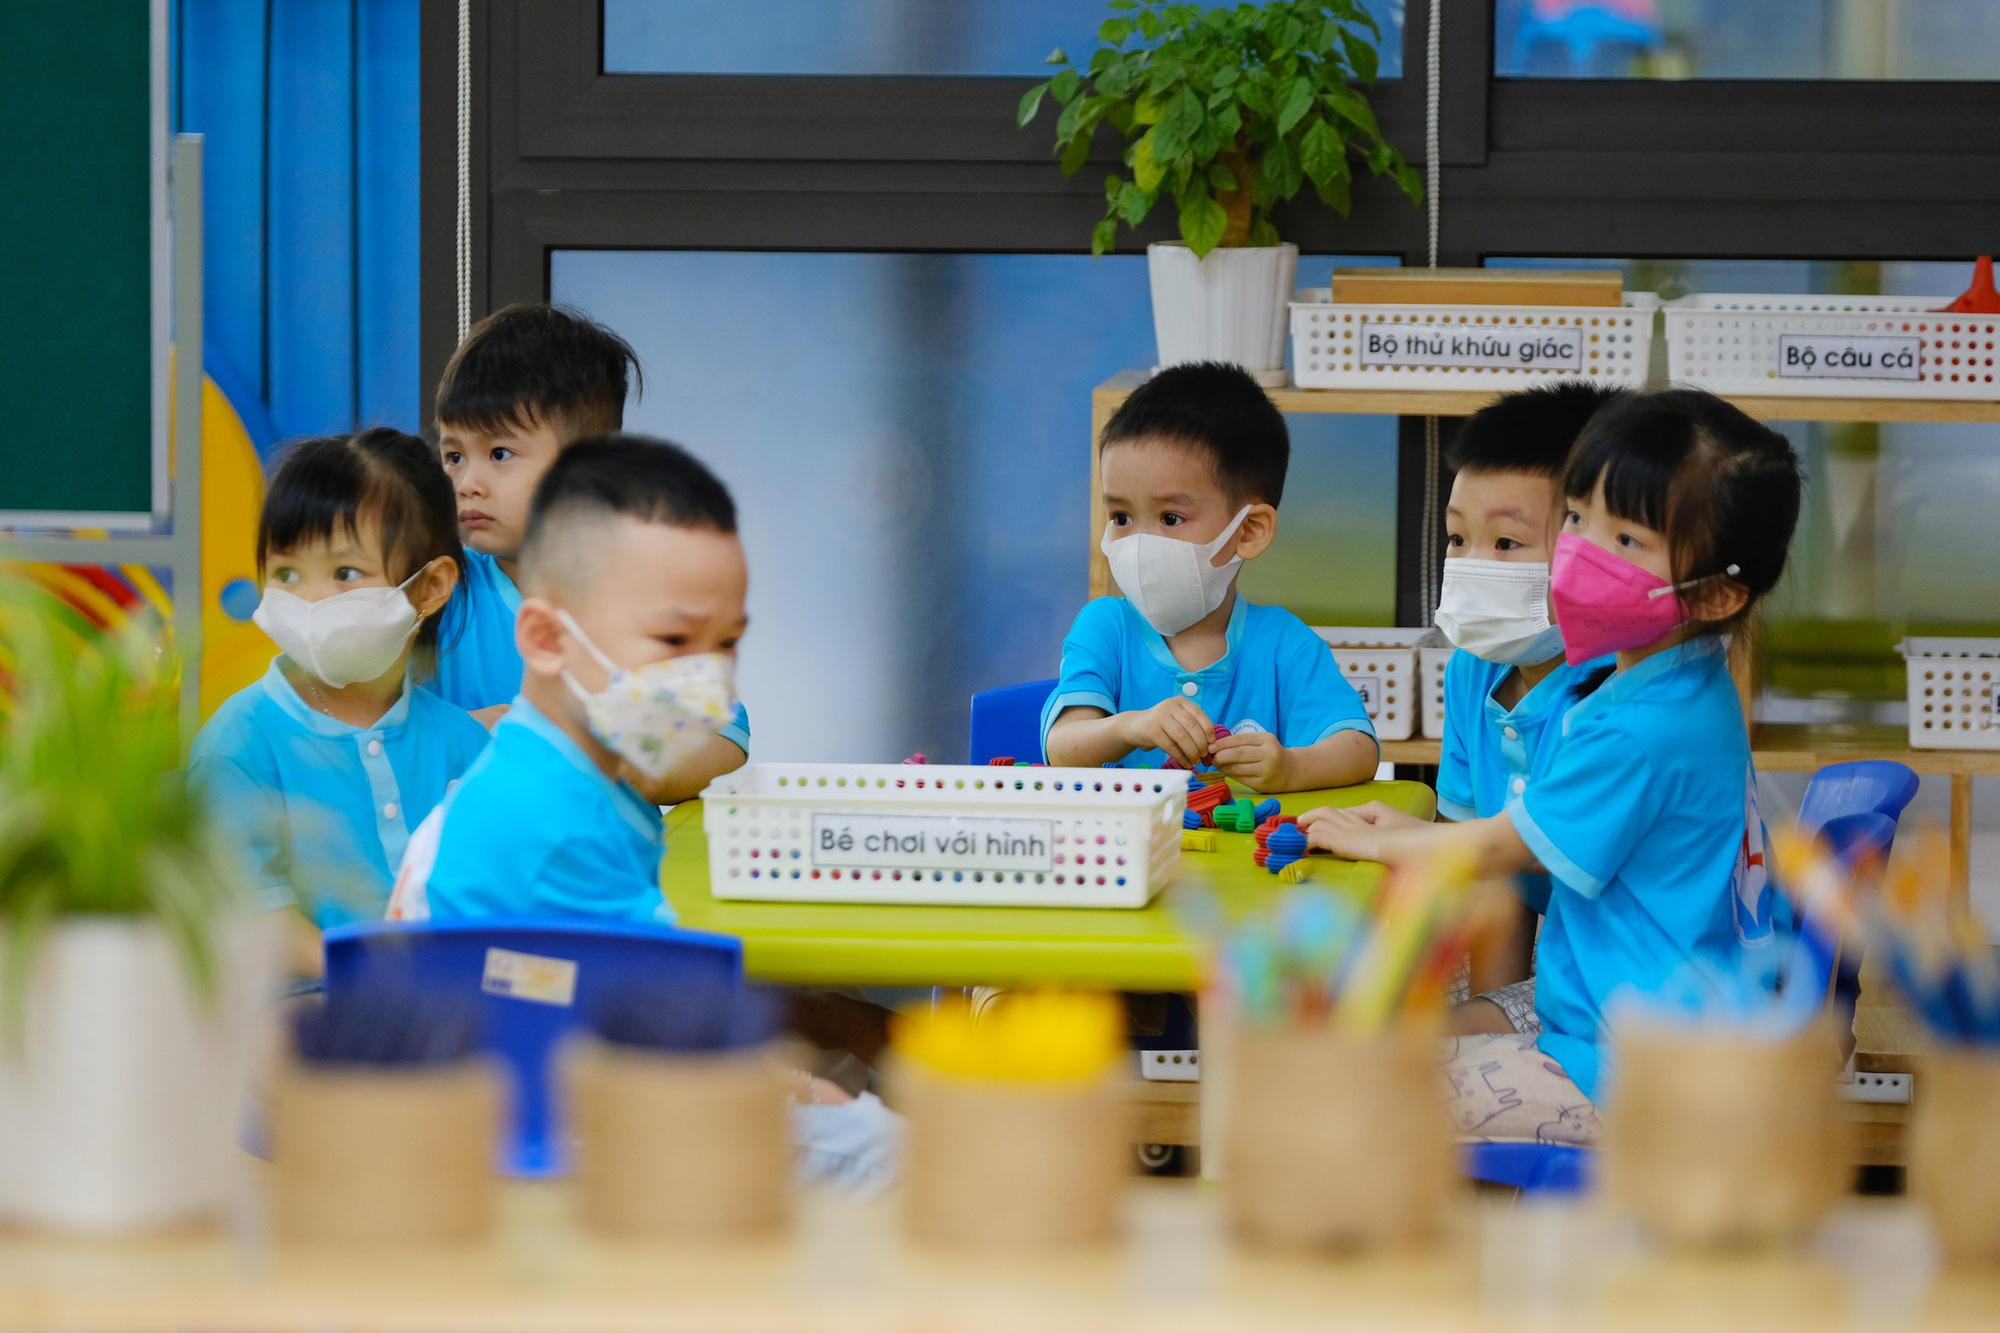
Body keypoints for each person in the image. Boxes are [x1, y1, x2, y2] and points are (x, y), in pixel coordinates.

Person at [1301, 389, 1802, 1144]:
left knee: (1354, 1087)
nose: (1583, 552)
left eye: (1626, 540)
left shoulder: (1641, 726)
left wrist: (1384, 839)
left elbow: (1508, 848)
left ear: (1717, 592)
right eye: (1576, 519)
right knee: (1380, 1036)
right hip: (1621, 1021)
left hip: (1634, 1069)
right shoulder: (1676, 681)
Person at [412, 434, 898, 1191]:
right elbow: (675, 1032)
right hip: (574, 1145)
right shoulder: (557, 820)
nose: (706, 677)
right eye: (674, 639)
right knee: (907, 1156)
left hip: (569, 1097)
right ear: (545, 638)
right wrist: (803, 1087)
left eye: (725, 644)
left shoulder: (559, 770)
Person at [1332, 383, 1625, 1034]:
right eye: (1458, 537)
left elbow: (1511, 857)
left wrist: (1492, 1023)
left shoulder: (1620, 695)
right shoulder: (1473, 670)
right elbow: (1489, 874)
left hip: (1611, 976)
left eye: (1506, 544)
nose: (1468, 565)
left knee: (1389, 1045)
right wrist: (1493, 1004)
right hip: (1542, 959)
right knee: (1351, 998)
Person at [432, 302, 748, 802]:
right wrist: (467, 736)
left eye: (500, 453)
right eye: (453, 456)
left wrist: (627, 763)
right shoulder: (437, 589)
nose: (467, 483)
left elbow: (723, 739)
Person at [191, 429, 491, 934]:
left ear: (430, 588)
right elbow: (260, 925)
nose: (310, 598)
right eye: (286, 574)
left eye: (345, 572)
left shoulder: (465, 745)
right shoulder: (239, 745)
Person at [1041, 363, 1377, 791]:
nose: (1140, 543)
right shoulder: (1105, 627)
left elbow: (1359, 750)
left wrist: (1290, 767)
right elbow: (1061, 747)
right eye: (1121, 516)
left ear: (1248, 531)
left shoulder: (1283, 645)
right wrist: (1129, 727)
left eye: (1170, 517)